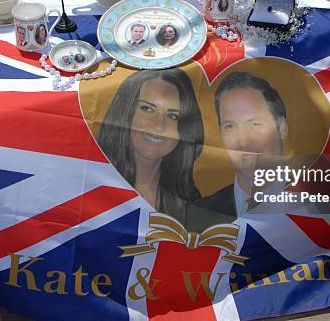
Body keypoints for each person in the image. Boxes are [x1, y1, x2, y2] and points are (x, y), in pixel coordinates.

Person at [97, 68, 204, 223]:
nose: (159, 126)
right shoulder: (89, 184)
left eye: (173, 116)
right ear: (125, 112)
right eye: (147, 109)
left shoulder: (192, 204)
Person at [186, 71, 288, 231]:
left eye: (255, 124)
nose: (244, 141)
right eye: (230, 126)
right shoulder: (195, 217)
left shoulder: (323, 202)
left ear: (282, 128)